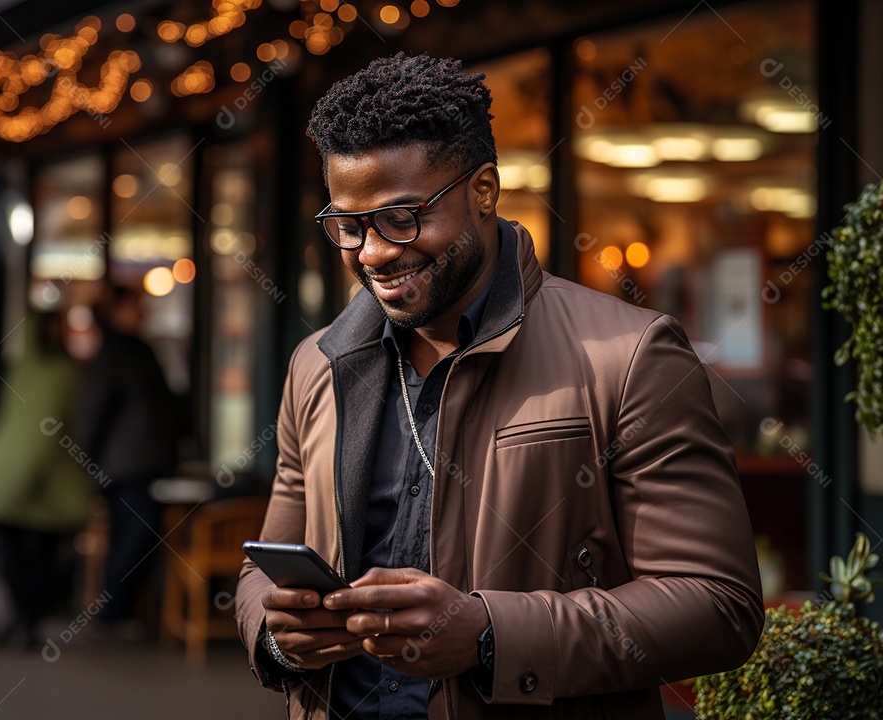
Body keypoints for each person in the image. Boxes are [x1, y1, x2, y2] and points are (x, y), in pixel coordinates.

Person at [235, 53, 764, 720]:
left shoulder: (631, 357)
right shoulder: (316, 365)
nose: (371, 252)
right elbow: (265, 572)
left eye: (402, 217)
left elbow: (719, 605)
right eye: (349, 226)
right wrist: (279, 634)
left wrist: (487, 634)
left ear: (483, 190)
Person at [0, 311, 90, 647]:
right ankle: (25, 619)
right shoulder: (54, 372)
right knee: (28, 557)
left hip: (28, 485)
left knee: (25, 557)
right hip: (34, 484)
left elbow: (34, 431)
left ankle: (25, 620)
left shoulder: (27, 371)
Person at [77, 287, 181, 629]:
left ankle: (122, 613)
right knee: (134, 536)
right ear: (117, 311)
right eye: (136, 306)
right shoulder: (119, 352)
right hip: (129, 466)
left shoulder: (128, 350)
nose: (144, 313)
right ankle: (114, 614)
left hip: (135, 463)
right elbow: (92, 413)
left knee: (133, 536)